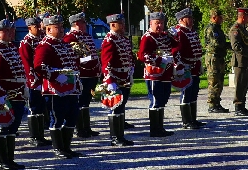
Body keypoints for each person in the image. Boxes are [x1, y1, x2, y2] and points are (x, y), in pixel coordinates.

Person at [34, 14, 82, 158]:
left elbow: (73, 63)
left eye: (61, 27)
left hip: (70, 87)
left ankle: (66, 147)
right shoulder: (45, 46)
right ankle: (58, 148)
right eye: (57, 27)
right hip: (55, 89)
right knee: (57, 118)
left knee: (72, 116)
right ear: (48, 29)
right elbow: (39, 66)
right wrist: (56, 76)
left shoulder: (64, 44)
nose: (61, 30)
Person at [0, 19, 28, 170]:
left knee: (13, 127)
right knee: (3, 127)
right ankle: (2, 161)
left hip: (17, 93)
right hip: (4, 95)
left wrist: (24, 86)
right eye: (7, 31)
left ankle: (10, 159)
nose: (11, 33)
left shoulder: (10, 47)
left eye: (12, 30)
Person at [139, 11, 179, 136]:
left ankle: (160, 127)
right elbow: (142, 56)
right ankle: (154, 129)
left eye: (161, 23)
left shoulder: (164, 36)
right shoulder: (148, 37)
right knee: (155, 99)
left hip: (166, 72)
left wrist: (176, 36)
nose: (159, 26)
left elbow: (177, 46)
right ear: (151, 23)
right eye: (157, 23)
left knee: (164, 98)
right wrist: (160, 59)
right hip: (154, 73)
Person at [63, 12, 101, 138]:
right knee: (81, 102)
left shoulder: (86, 36)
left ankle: (87, 127)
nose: (85, 24)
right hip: (82, 74)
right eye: (83, 22)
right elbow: (73, 59)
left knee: (86, 102)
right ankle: (80, 129)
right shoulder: (70, 38)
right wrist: (88, 59)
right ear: (76, 23)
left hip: (91, 74)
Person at [99, 13, 135, 147]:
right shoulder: (109, 40)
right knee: (115, 108)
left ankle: (121, 136)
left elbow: (130, 56)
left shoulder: (124, 39)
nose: (123, 26)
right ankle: (115, 137)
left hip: (124, 77)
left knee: (121, 107)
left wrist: (131, 68)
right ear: (113, 25)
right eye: (121, 24)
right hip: (114, 79)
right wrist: (109, 81)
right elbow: (106, 63)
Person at [19, 16, 51, 146]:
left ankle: (41, 135)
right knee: (34, 108)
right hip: (34, 81)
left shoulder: (41, 40)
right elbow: (27, 65)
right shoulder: (26, 43)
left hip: (43, 79)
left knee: (42, 107)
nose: (39, 28)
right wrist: (34, 81)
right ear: (29, 28)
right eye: (36, 27)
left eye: (39, 26)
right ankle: (34, 136)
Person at [172, 8, 204, 130]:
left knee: (194, 93)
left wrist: (199, 62)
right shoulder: (179, 33)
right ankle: (186, 121)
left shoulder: (191, 31)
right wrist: (179, 66)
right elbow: (175, 52)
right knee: (186, 93)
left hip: (194, 65)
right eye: (188, 18)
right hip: (185, 66)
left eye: (191, 18)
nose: (191, 20)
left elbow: (197, 49)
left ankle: (193, 119)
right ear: (181, 20)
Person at [229, 8, 248, 116]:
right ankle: (238, 106)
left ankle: (242, 106)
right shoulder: (235, 29)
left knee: (244, 84)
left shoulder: (243, 29)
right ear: (243, 17)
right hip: (239, 61)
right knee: (239, 84)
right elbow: (235, 46)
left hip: (245, 60)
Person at [204, 9, 229, 114]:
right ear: (214, 17)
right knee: (214, 81)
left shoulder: (218, 29)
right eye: (220, 17)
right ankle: (212, 104)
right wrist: (228, 44)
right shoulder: (211, 29)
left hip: (219, 57)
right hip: (213, 58)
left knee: (219, 81)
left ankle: (217, 103)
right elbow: (216, 43)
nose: (222, 19)